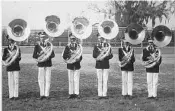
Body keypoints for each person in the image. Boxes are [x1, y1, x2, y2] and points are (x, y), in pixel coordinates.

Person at [33, 32, 55, 100]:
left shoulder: (49, 45)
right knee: (41, 79)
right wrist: (40, 55)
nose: (42, 38)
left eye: (44, 37)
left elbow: (53, 55)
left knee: (48, 79)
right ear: (40, 38)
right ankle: (42, 94)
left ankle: (47, 94)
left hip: (48, 63)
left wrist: (48, 56)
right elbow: (34, 55)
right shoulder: (37, 46)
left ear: (46, 38)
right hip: (41, 64)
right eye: (41, 37)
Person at [93, 33, 113, 99]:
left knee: (105, 80)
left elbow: (111, 55)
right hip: (98, 64)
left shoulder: (108, 45)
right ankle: (100, 94)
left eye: (101, 38)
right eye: (99, 38)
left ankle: (104, 94)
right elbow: (94, 55)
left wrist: (106, 56)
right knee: (99, 80)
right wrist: (99, 56)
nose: (100, 39)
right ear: (98, 39)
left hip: (105, 64)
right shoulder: (96, 46)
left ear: (103, 38)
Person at [62, 33, 82, 99]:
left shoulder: (79, 46)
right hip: (70, 65)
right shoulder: (67, 46)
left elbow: (80, 56)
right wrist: (70, 56)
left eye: (73, 38)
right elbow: (64, 55)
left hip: (77, 65)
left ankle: (76, 93)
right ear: (69, 39)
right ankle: (71, 93)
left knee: (76, 80)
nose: (72, 40)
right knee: (70, 80)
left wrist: (78, 59)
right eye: (71, 39)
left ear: (75, 39)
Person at [2, 35, 21, 100]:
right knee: (10, 81)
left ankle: (16, 95)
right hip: (9, 67)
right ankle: (11, 95)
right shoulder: (5, 49)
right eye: (10, 40)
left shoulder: (17, 48)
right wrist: (10, 56)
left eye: (12, 40)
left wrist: (16, 56)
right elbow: (3, 58)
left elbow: (19, 58)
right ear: (8, 41)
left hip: (16, 66)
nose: (11, 41)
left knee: (16, 81)